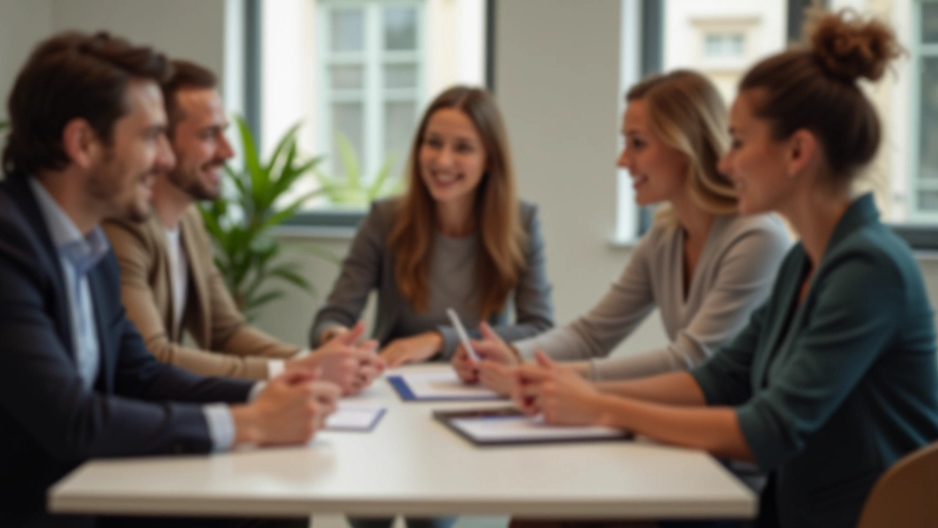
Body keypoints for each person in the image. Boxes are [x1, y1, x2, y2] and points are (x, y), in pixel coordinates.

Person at [512, 9, 938, 528]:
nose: (724, 162)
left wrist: (601, 406)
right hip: (793, 509)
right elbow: (719, 378)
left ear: (797, 151)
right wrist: (584, 392)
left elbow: (771, 428)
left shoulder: (869, 269)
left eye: (737, 142)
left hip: (852, 518)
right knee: (547, 515)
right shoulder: (805, 264)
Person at [0, 31, 338, 528]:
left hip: (86, 487)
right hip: (23, 511)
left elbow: (141, 374)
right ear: (83, 143)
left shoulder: (86, 244)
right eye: (150, 136)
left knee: (272, 511)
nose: (164, 158)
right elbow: (71, 420)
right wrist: (250, 422)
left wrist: (266, 393)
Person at [454, 70, 790, 392]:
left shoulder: (756, 240)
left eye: (638, 144)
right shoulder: (664, 238)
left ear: (686, 145)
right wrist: (512, 356)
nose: (622, 160)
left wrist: (546, 375)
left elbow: (691, 360)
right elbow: (592, 335)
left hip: (740, 443)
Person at [102, 60, 383, 395]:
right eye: (209, 135)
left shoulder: (189, 221)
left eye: (224, 132)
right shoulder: (121, 228)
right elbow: (155, 356)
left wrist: (317, 359)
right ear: (159, 139)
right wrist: (297, 370)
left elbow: (227, 331)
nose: (228, 151)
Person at [309, 85, 555, 369]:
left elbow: (540, 329)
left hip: (479, 382)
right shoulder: (385, 219)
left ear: (489, 159)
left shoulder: (522, 222)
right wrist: (336, 338)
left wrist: (439, 340)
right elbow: (332, 317)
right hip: (394, 378)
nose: (442, 160)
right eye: (434, 143)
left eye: (463, 147)